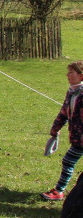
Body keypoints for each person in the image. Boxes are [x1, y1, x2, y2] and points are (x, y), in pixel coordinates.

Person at [41, 60, 83, 201]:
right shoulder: (72, 92)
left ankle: (60, 191)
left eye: (71, 72)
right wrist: (55, 129)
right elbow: (64, 113)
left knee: (68, 160)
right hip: (78, 139)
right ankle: (60, 191)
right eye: (68, 72)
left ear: (81, 75)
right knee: (68, 161)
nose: (68, 75)